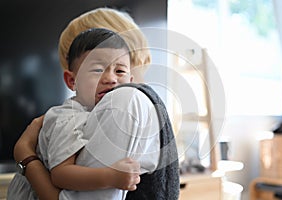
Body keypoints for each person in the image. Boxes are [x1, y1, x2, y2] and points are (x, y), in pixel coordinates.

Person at [12, 7, 180, 200]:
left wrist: (25, 154)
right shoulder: (147, 102)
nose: (109, 78)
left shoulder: (122, 101)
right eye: (97, 69)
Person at [8, 27, 142, 199]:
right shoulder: (68, 117)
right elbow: (61, 175)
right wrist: (111, 176)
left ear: (131, 82)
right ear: (72, 81)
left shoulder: (116, 116)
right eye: (97, 70)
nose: (111, 78)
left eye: (120, 71)